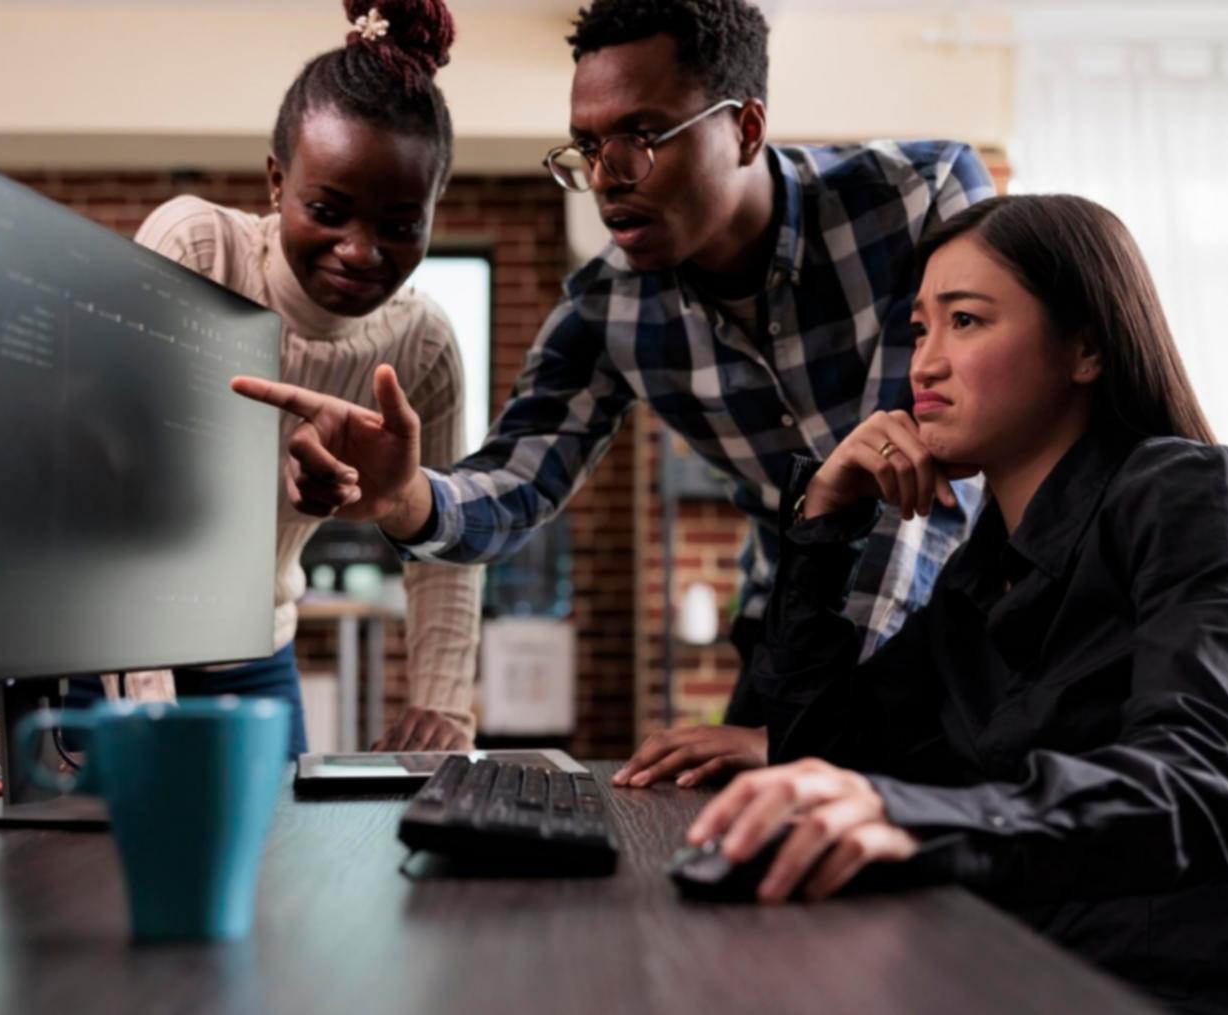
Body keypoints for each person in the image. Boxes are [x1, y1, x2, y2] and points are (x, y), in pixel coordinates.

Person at [232, 0, 996, 780]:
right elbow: (515, 482)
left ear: (745, 128)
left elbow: (918, 479)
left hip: (962, 608)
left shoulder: (915, 197)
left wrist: (812, 733)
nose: (604, 179)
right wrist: (404, 498)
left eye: (640, 139)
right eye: (588, 147)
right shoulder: (606, 306)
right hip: (794, 618)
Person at [683, 193, 1228, 1012]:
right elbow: (823, 750)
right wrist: (825, 518)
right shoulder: (980, 576)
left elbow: (1199, 787)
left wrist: (905, 816)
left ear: (1084, 347)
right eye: (919, 330)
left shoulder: (1189, 496)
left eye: (964, 321)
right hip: (1052, 968)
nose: (923, 365)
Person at [91, 0, 481, 756]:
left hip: (256, 654)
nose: (361, 251)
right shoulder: (201, 250)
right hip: (109, 652)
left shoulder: (422, 342)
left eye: (400, 225)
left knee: (282, 866)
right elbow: (123, 487)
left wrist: (443, 705)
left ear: (434, 211)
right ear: (277, 181)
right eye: (328, 210)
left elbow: (442, 542)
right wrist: (148, 703)